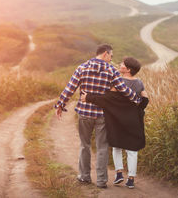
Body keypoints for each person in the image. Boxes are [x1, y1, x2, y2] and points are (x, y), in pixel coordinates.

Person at [54, 45, 140, 189]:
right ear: (106, 54)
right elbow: (123, 89)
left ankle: (84, 177)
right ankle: (101, 181)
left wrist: (60, 105)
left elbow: (70, 87)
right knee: (102, 148)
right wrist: (136, 99)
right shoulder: (112, 71)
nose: (111, 60)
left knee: (84, 146)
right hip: (103, 115)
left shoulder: (82, 67)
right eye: (111, 56)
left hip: (84, 113)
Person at [81, 57, 148, 189]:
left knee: (117, 147)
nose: (120, 64)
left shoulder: (118, 82)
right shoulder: (139, 83)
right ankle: (131, 179)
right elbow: (145, 100)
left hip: (117, 121)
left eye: (123, 64)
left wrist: (88, 97)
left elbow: (107, 99)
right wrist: (136, 111)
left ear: (128, 69)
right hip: (133, 121)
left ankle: (119, 174)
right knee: (132, 150)